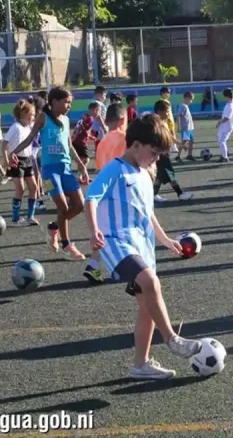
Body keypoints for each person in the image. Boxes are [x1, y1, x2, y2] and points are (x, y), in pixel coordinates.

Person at [85, 114, 203, 379]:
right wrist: (94, 230)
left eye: (160, 154)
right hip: (116, 242)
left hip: (142, 245)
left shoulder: (145, 174)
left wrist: (165, 239)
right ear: (136, 145)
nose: (156, 159)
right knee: (150, 282)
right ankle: (172, 339)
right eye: (154, 152)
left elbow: (148, 213)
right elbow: (91, 198)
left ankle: (141, 364)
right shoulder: (115, 169)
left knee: (147, 305)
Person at [10, 86, 89, 261]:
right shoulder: (43, 118)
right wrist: (13, 152)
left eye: (70, 102)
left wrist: (81, 165)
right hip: (48, 173)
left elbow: (69, 144)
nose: (69, 105)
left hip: (65, 169)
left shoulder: (66, 120)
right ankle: (67, 245)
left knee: (79, 206)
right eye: (66, 102)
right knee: (63, 207)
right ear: (54, 101)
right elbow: (30, 139)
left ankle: (54, 227)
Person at [85, 103, 129, 284]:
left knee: (102, 231)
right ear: (122, 120)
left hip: (102, 190)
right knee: (124, 230)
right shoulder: (124, 138)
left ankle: (93, 265)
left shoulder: (102, 141)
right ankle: (120, 267)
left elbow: (99, 167)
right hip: (119, 190)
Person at [2, 100, 40, 227]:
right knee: (20, 189)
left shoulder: (28, 127)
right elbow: (4, 143)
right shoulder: (15, 127)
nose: (33, 117)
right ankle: (15, 218)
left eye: (34, 115)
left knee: (34, 188)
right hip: (16, 161)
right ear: (23, 114)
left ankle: (30, 216)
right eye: (31, 115)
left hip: (27, 160)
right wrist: (7, 160)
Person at [153, 100, 193, 202]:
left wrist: (180, 144)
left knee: (160, 176)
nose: (168, 113)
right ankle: (180, 193)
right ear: (159, 111)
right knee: (170, 174)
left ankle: (153, 194)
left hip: (165, 152)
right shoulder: (156, 124)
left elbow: (169, 136)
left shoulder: (164, 122)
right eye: (166, 111)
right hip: (160, 154)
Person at [26, 95, 47, 212]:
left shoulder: (42, 121)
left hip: (39, 150)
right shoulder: (29, 123)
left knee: (44, 174)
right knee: (35, 176)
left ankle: (46, 190)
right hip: (30, 152)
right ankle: (39, 200)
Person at [71, 101, 99, 173]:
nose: (98, 113)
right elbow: (80, 129)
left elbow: (82, 130)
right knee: (86, 159)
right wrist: (73, 139)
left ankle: (80, 176)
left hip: (78, 141)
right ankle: (81, 175)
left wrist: (90, 136)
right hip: (81, 142)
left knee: (81, 159)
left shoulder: (85, 117)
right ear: (93, 110)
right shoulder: (89, 119)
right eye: (97, 110)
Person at [215, 88, 233, 163]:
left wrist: (219, 122)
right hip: (227, 125)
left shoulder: (230, 106)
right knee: (219, 137)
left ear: (227, 96)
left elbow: (226, 118)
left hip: (227, 126)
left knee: (222, 141)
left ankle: (225, 157)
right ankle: (224, 153)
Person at [176, 92, 195, 161]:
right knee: (184, 141)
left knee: (191, 141)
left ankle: (189, 155)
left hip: (190, 128)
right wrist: (179, 126)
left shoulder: (186, 106)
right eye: (191, 99)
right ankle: (178, 156)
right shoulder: (183, 106)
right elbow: (178, 115)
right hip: (185, 128)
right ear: (187, 98)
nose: (191, 101)